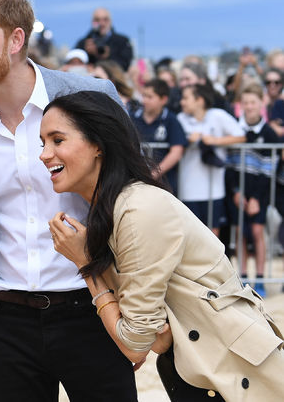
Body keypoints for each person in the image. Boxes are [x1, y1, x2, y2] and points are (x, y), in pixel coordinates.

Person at [0, 0, 134, 400]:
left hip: (92, 308)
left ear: (16, 40)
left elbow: (135, 204)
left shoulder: (91, 96)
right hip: (5, 322)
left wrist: (136, 317)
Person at [42, 90, 284, 401]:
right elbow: (156, 339)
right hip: (210, 369)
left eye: (57, 140)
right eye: (42, 142)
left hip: (236, 375)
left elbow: (135, 344)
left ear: (98, 145)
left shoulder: (137, 209)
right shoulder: (116, 207)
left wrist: (85, 264)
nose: (44, 153)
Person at [225, 83, 279, 297]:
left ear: (261, 103)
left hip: (260, 192)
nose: (249, 107)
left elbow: (269, 170)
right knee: (240, 233)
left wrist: (256, 197)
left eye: (253, 102)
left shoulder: (269, 133)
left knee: (257, 232)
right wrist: (236, 192)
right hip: (238, 192)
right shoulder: (235, 131)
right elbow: (228, 164)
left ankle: (261, 279)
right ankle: (244, 277)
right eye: (245, 102)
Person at [176, 84, 245, 236]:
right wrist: (187, 141)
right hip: (188, 189)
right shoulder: (180, 119)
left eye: (186, 98)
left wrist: (214, 140)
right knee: (191, 235)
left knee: (213, 234)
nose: (182, 102)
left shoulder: (218, 115)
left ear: (199, 100)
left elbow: (241, 136)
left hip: (214, 189)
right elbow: (175, 146)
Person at [131, 78, 187, 193]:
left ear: (163, 99)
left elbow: (176, 151)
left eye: (150, 97)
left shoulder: (171, 120)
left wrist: (154, 173)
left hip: (164, 184)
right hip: (135, 181)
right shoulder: (132, 118)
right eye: (144, 96)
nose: (144, 100)